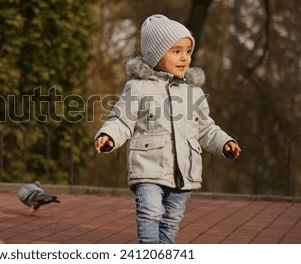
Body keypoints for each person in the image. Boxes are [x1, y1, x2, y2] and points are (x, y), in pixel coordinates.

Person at [94, 14, 241, 244]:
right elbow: (122, 120)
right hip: (149, 167)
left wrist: (224, 143)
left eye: (188, 51)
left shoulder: (193, 92)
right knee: (151, 212)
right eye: (176, 51)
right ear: (156, 54)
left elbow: (205, 128)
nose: (185, 58)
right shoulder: (138, 87)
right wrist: (108, 135)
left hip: (184, 171)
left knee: (171, 219)